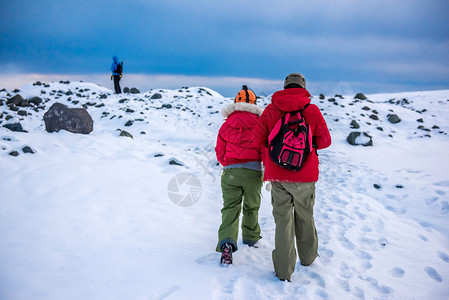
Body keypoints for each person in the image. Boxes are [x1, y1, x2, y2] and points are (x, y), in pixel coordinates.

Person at [253, 73, 331, 281]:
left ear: (284, 87)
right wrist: (309, 145)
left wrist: (270, 158)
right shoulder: (311, 110)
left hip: (278, 177)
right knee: (305, 215)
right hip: (306, 177)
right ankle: (308, 257)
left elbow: (257, 139)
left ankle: (283, 270)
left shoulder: (271, 110)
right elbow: (325, 141)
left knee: (283, 221)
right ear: (303, 87)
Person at [215, 85, 264, 265]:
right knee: (252, 206)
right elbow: (264, 149)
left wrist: (228, 164)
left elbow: (220, 151)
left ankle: (227, 243)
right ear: (254, 103)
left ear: (236, 103)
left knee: (230, 208)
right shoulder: (260, 124)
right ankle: (251, 238)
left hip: (231, 172)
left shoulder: (226, 125)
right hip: (253, 172)